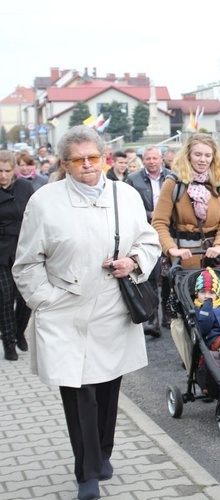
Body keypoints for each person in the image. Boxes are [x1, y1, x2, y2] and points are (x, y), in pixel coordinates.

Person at [12, 125, 160, 500]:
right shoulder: (44, 201)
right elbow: (25, 264)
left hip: (112, 309)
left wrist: (134, 261)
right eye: (78, 160)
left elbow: (148, 240)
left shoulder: (124, 195)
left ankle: (103, 453)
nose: (87, 166)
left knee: (108, 388)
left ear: (105, 159)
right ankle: (87, 473)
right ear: (64, 164)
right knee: (79, 393)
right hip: (66, 314)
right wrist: (46, 300)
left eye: (93, 158)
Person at [151, 134, 220, 270]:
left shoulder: (218, 183)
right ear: (188, 155)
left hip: (214, 259)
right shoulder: (173, 183)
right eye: (198, 154)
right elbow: (159, 222)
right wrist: (172, 249)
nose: (203, 160)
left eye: (208, 155)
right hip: (184, 258)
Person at [126, 146, 172, 335]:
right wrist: (148, 214)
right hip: (145, 231)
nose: (151, 161)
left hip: (168, 230)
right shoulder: (133, 179)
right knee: (150, 275)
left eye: (155, 158)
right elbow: (127, 205)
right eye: (148, 158)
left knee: (168, 276)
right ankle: (153, 319)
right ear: (143, 160)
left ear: (161, 159)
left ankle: (169, 316)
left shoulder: (171, 177)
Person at [0, 151, 34, 360]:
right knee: (4, 298)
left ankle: (19, 330)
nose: (3, 175)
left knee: (25, 297)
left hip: (23, 248)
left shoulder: (25, 187)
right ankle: (9, 342)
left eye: (7, 171)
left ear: (14, 170)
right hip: (0, 251)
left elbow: (35, 215)